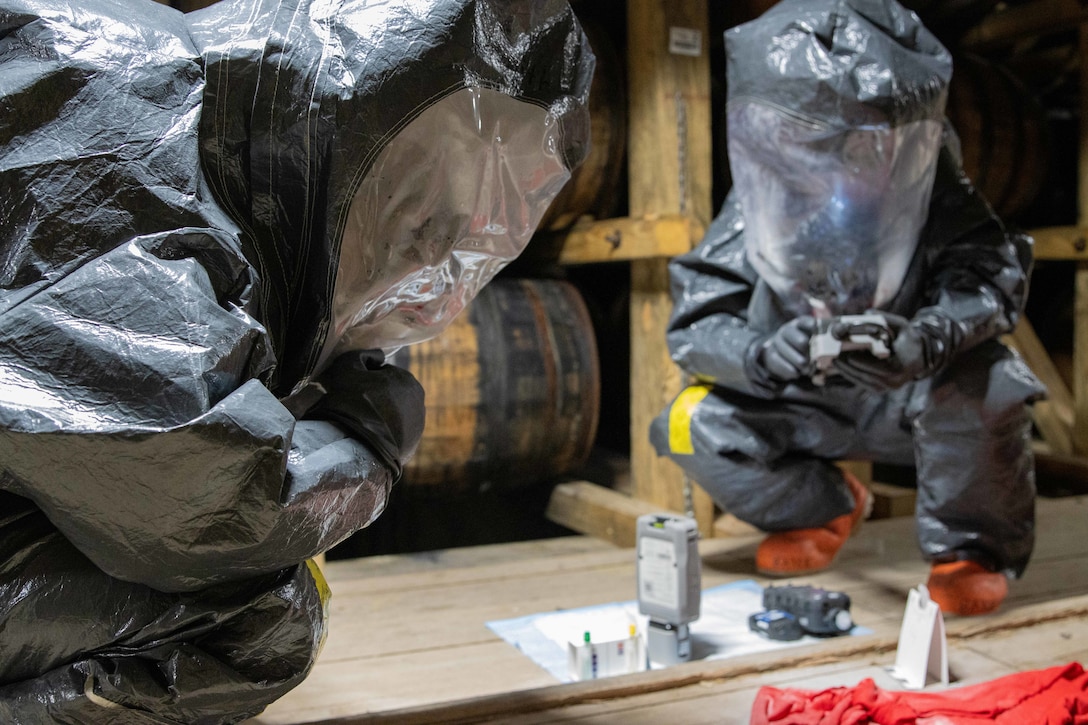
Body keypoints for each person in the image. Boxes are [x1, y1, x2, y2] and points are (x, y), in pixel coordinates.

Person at [0, 0, 591, 720]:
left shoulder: (193, 122)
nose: (435, 292)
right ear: (337, 135)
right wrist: (368, 429)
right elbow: (211, 507)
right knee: (262, 617)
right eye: (421, 226)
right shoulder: (130, 160)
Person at [650, 0, 1044, 617]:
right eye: (808, 138)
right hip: (801, 397)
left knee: (993, 384)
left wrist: (929, 338)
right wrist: (760, 356)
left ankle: (969, 549)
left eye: (859, 140)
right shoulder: (762, 196)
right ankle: (823, 508)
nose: (832, 156)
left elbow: (990, 278)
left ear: (901, 137)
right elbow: (697, 322)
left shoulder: (932, 186)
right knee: (684, 420)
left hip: (910, 397)